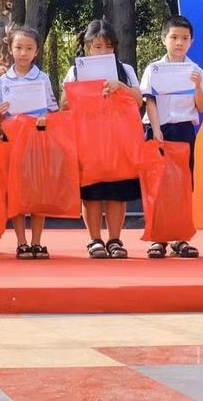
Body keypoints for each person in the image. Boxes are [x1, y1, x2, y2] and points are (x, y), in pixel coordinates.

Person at [61, 19, 142, 260]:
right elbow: (63, 103)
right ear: (87, 47)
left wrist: (121, 88)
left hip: (119, 140)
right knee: (92, 191)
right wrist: (82, 87)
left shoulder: (125, 70)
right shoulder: (76, 71)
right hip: (88, 141)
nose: (103, 51)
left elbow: (139, 100)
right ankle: (94, 239)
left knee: (117, 191)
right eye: (97, 46)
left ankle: (115, 240)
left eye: (108, 46)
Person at [139, 16, 203, 259]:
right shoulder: (153, 69)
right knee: (157, 185)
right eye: (174, 37)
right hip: (157, 130)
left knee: (181, 186)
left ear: (191, 42)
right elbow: (149, 100)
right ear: (163, 39)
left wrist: (198, 87)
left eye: (184, 38)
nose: (179, 43)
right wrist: (157, 129)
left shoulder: (195, 70)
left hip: (183, 131)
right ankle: (157, 239)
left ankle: (181, 238)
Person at [0, 27, 58, 260]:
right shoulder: (2, 81)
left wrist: (45, 120)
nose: (23, 53)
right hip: (13, 143)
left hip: (38, 143)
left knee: (38, 193)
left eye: (29, 48)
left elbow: (52, 110)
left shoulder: (42, 79)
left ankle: (37, 241)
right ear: (10, 49)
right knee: (17, 193)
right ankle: (21, 242)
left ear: (37, 51)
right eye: (18, 47)